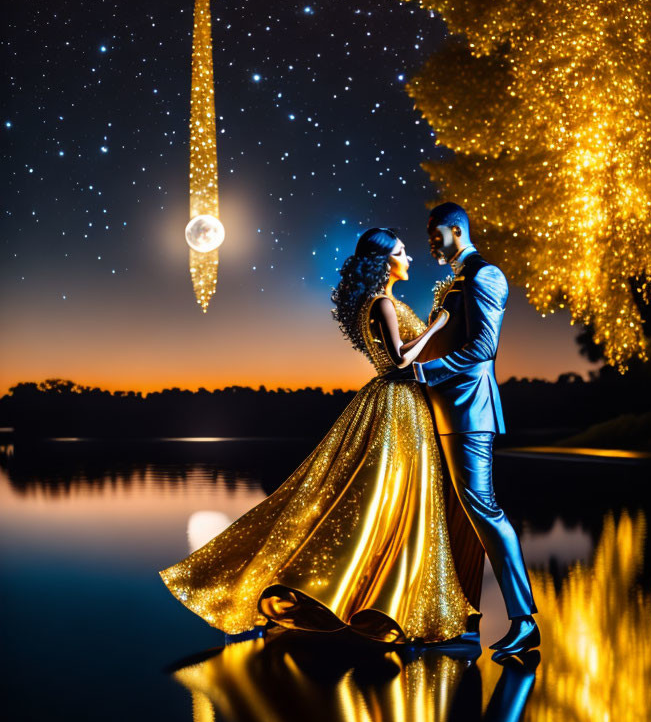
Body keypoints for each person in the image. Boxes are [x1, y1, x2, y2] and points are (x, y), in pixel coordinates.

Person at [159, 227, 482, 644]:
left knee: (382, 501)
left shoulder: (381, 302)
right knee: (386, 498)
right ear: (385, 261)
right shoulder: (381, 303)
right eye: (402, 252)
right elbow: (401, 361)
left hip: (398, 404)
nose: (410, 258)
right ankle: (378, 602)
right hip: (398, 400)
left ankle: (379, 598)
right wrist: (436, 324)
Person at [413, 203, 540, 656]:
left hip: (470, 410)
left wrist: (424, 375)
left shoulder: (485, 275)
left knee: (483, 509)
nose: (430, 244)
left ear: (455, 230)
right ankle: (465, 622)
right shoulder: (458, 280)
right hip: (447, 411)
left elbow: (483, 348)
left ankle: (524, 620)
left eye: (435, 235)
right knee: (459, 517)